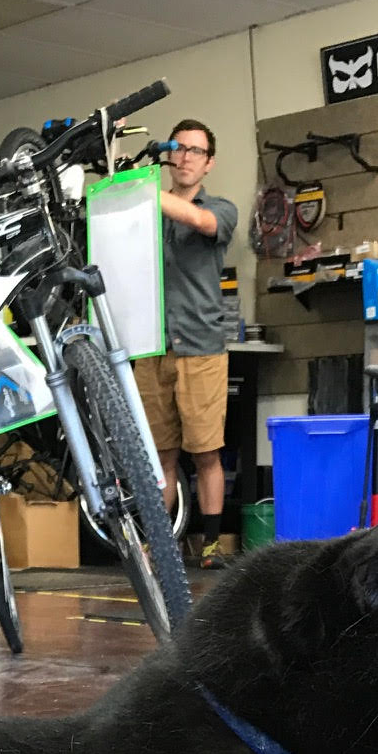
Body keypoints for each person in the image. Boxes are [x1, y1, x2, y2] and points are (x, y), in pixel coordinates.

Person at [134, 119, 238, 571]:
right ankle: (162, 544)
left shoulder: (222, 209)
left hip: (201, 346)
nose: (186, 156)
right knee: (162, 456)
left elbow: (199, 220)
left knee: (206, 452)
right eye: (178, 148)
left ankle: (212, 548)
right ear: (168, 156)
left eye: (195, 150)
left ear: (208, 162)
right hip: (151, 347)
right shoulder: (144, 217)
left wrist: (139, 193)